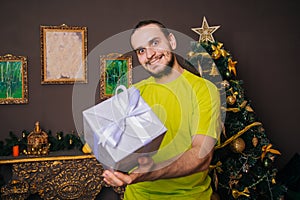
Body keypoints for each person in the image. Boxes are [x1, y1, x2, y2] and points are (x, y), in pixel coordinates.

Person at [102, 19, 221, 200]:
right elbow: (123, 147)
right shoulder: (134, 93)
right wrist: (114, 167)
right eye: (141, 50)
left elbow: (201, 155)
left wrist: (148, 173)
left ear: (171, 41)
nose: (149, 55)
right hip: (137, 196)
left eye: (155, 43)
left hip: (188, 196)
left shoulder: (203, 90)